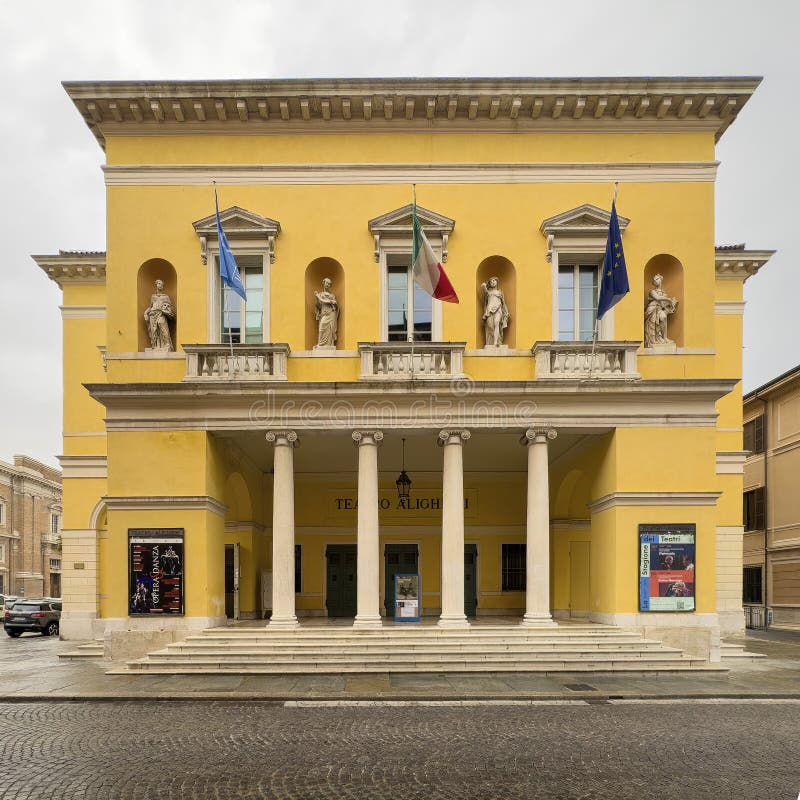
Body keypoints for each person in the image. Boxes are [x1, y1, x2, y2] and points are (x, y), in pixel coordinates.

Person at [644, 273, 678, 347]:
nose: (655, 280)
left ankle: (664, 337)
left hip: (659, 309)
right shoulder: (652, 291)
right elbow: (658, 298)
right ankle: (656, 338)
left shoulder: (663, 292)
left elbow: (663, 305)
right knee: (659, 319)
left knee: (663, 317)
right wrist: (668, 299)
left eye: (657, 279)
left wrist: (672, 305)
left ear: (661, 280)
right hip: (652, 309)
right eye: (654, 280)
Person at [143, 279, 175, 351]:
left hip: (161, 314)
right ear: (156, 285)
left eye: (161, 284)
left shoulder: (166, 297)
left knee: (163, 328)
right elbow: (151, 306)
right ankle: (156, 346)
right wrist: (145, 313)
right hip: (153, 314)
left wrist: (167, 311)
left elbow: (171, 307)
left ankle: (167, 345)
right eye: (159, 284)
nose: (160, 285)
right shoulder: (153, 296)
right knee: (154, 331)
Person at [481, 276, 510, 347]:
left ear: (497, 282)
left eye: (494, 280)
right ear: (490, 284)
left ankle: (495, 343)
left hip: (498, 308)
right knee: (490, 326)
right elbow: (485, 290)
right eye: (491, 281)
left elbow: (503, 303)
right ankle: (495, 340)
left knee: (497, 323)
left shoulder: (500, 292)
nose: (493, 282)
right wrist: (484, 286)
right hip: (489, 310)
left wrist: (506, 311)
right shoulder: (489, 292)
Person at [314, 277, 339, 347]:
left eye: (329, 284)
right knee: (322, 327)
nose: (328, 285)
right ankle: (320, 343)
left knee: (330, 329)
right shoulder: (320, 294)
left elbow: (336, 306)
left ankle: (330, 344)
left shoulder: (332, 295)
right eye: (327, 283)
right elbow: (318, 306)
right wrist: (317, 297)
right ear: (323, 283)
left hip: (331, 313)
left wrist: (333, 303)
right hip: (323, 313)